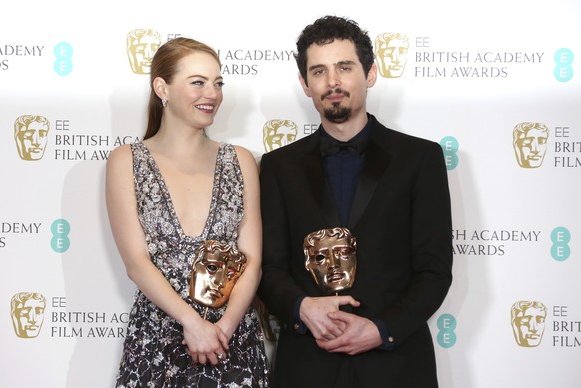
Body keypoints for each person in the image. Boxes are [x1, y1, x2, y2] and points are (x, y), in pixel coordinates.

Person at [258, 16, 453, 387]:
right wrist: (302, 309)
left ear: (370, 73)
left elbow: (434, 270)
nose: (332, 82)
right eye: (319, 71)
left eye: (344, 67)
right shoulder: (277, 166)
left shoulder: (420, 159)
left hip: (396, 364)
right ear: (305, 84)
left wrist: (382, 329)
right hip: (307, 363)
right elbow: (269, 268)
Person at [106, 37, 269, 387]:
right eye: (198, 82)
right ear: (162, 88)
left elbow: (252, 260)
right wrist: (193, 324)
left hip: (232, 339)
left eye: (218, 82)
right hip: (157, 339)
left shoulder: (240, 161)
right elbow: (136, 263)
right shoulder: (126, 161)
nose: (212, 93)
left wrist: (222, 329)